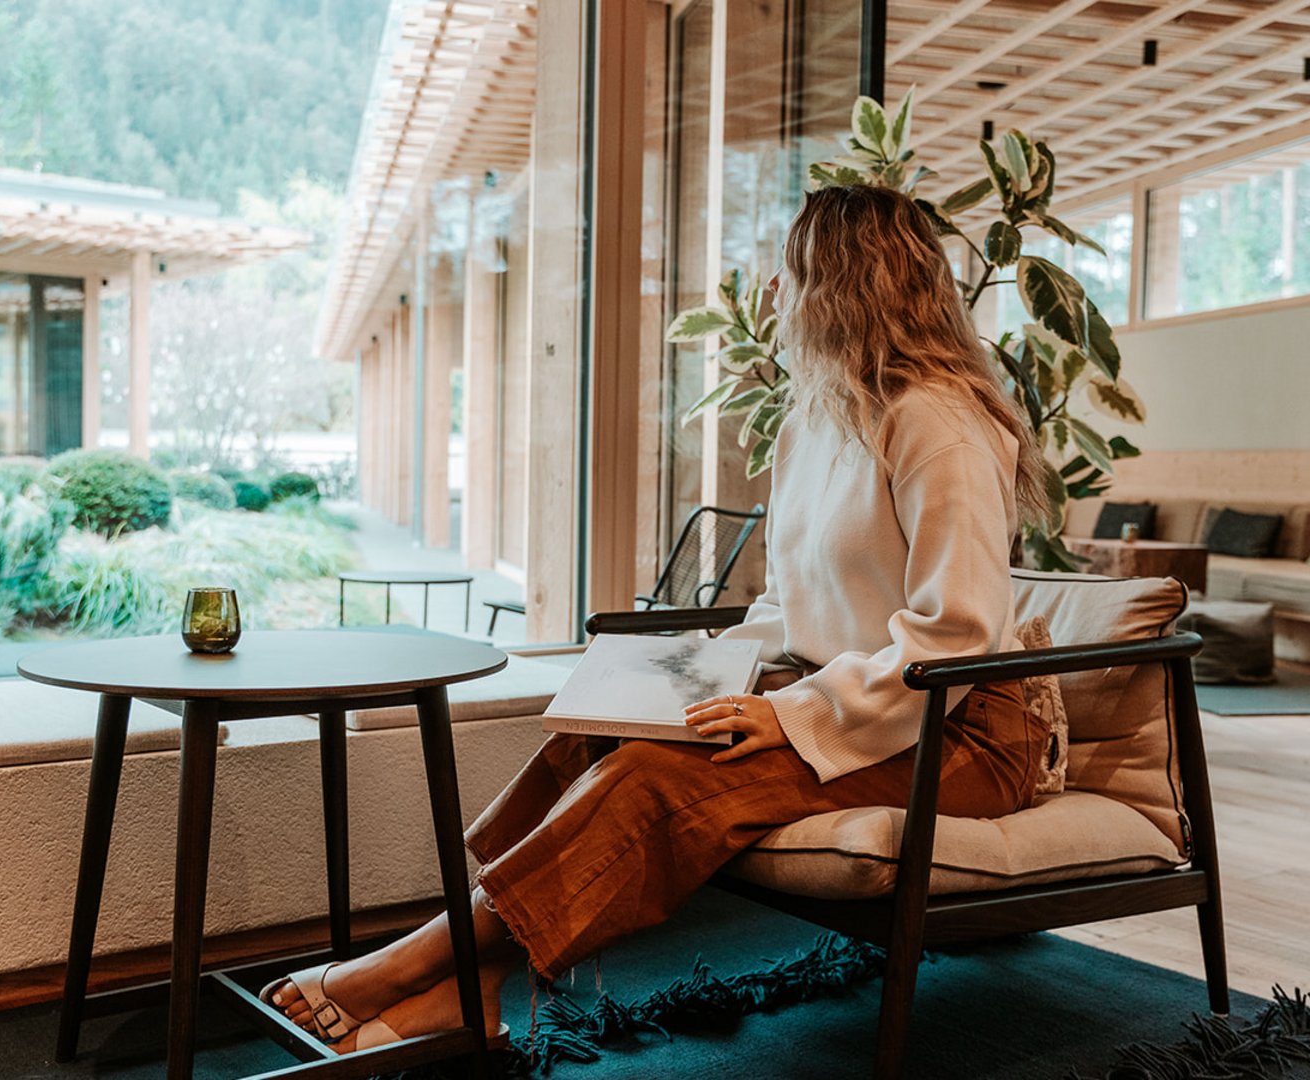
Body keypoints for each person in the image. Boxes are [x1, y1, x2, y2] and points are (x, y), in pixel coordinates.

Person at [265, 184, 1054, 1053]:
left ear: (841, 285)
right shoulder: (817, 420)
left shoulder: (938, 424)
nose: (772, 297)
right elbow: (786, 605)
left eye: (786, 274)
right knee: (597, 735)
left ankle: (408, 968)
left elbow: (959, 635)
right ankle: (472, 984)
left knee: (656, 774)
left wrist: (789, 715)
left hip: (960, 733)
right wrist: (698, 676)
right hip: (853, 700)